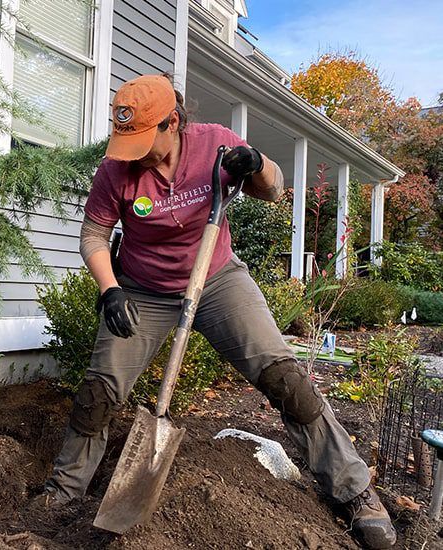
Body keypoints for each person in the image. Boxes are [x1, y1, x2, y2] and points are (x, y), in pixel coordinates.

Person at [37, 74, 397, 549]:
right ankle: (62, 496)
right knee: (98, 392)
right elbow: (93, 236)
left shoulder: (216, 146)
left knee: (286, 379)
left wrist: (259, 165)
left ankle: (356, 492)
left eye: (146, 139)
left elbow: (274, 189)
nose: (136, 152)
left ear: (174, 122)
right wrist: (109, 290)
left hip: (217, 281)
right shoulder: (115, 171)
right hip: (142, 290)